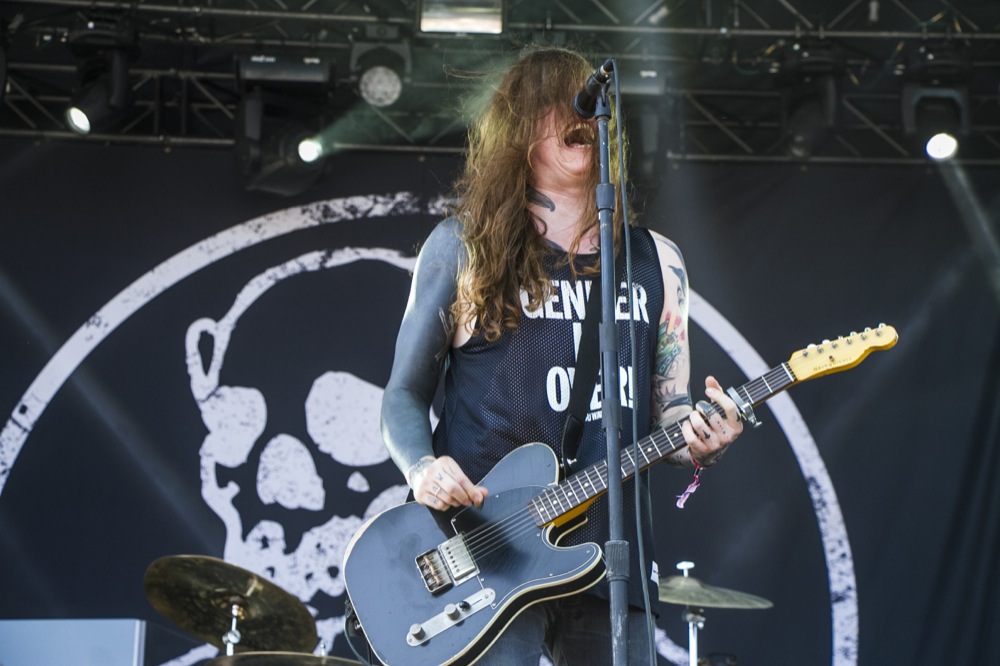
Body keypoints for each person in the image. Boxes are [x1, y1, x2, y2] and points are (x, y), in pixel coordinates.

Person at [380, 46, 744, 665]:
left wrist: (704, 436)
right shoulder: (462, 248)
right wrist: (421, 470)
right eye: (560, 99)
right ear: (520, 128)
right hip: (488, 548)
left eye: (590, 100)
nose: (583, 111)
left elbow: (670, 412)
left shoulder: (658, 260)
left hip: (611, 554)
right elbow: (404, 393)